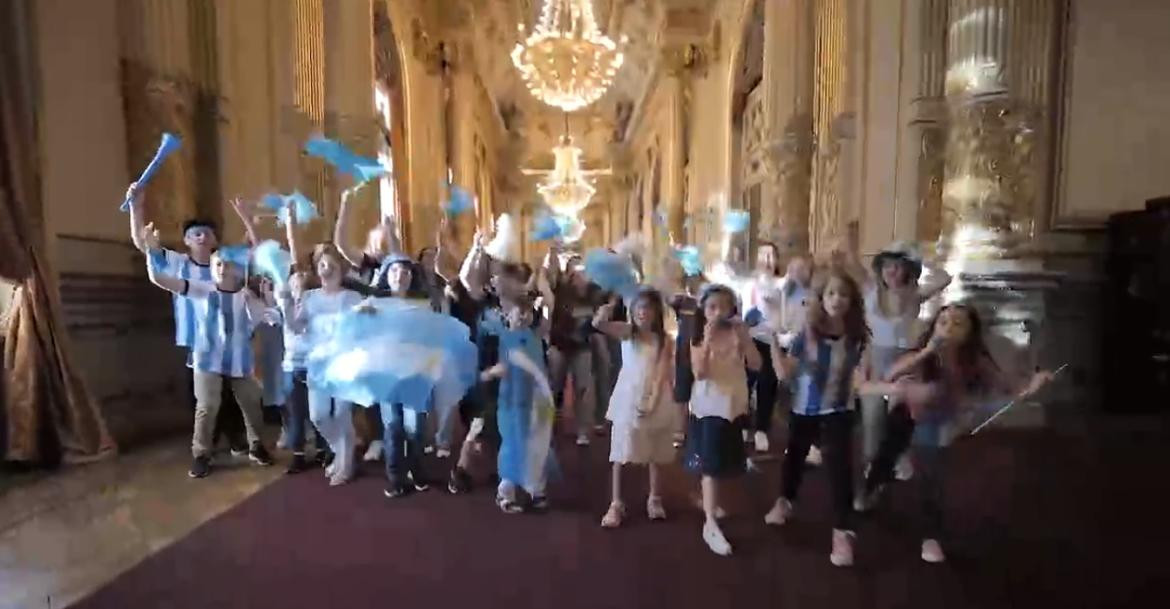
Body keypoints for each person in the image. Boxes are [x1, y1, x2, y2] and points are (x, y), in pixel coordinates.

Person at [855, 303, 1055, 563]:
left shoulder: (976, 362)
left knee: (931, 477)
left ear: (970, 334)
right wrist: (927, 352)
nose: (949, 328)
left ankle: (931, 535)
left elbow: (1012, 390)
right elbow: (891, 374)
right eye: (943, 322)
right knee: (885, 457)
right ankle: (871, 488)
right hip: (906, 414)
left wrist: (1034, 384)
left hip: (936, 422)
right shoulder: (924, 354)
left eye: (958, 323)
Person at [126, 183, 255, 457]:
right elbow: (144, 245)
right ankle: (207, 445)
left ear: (214, 240)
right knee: (203, 398)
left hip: (230, 341)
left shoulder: (224, 264)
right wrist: (136, 208)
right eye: (195, 233)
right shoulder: (178, 263)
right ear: (186, 240)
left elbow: (253, 250)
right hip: (196, 340)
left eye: (207, 233)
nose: (201, 237)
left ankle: (236, 439)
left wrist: (247, 219)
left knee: (232, 394)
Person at [142, 232, 276, 478]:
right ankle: (201, 454)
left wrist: (270, 298)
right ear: (212, 269)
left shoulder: (247, 298)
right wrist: (152, 251)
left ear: (238, 270)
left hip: (240, 360)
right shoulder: (203, 290)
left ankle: (257, 446)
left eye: (227, 263)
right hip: (207, 358)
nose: (222, 268)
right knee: (207, 405)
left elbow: (272, 317)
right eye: (217, 264)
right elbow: (159, 278)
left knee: (251, 401)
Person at [764, 269, 870, 567]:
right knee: (794, 459)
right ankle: (785, 501)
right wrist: (772, 338)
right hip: (804, 409)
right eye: (831, 293)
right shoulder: (806, 335)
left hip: (839, 410)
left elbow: (863, 375)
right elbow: (784, 372)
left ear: (852, 301)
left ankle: (843, 532)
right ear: (821, 298)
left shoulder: (857, 337)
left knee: (839, 469)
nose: (837, 299)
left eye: (844, 294)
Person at [277, 203, 362, 480]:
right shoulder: (311, 298)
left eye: (330, 262)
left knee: (342, 414)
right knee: (319, 416)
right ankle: (341, 450)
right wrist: (285, 304)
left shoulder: (352, 298)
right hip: (318, 365)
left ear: (340, 265)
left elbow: (364, 328)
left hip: (345, 365)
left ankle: (346, 464)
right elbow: (295, 326)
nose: (325, 266)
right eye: (321, 263)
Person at [858, 241, 951, 480]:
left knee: (899, 415)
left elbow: (944, 277)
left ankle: (900, 457)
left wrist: (921, 257)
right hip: (876, 359)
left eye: (898, 266)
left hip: (904, 361)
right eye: (888, 265)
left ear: (908, 269)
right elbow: (850, 266)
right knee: (872, 418)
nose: (892, 271)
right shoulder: (870, 291)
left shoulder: (915, 294)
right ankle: (872, 462)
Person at [684, 284, 760, 556]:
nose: (717, 312)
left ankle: (709, 502)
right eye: (711, 307)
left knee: (723, 460)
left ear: (732, 309)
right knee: (711, 465)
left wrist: (745, 338)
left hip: (733, 404)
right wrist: (706, 340)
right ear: (703, 312)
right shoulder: (698, 338)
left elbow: (756, 364)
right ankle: (710, 523)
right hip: (709, 405)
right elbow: (701, 372)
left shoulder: (738, 334)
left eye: (723, 307)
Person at [593, 289, 676, 528]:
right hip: (628, 393)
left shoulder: (664, 339)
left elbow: (662, 373)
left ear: (656, 312)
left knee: (655, 447)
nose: (642, 312)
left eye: (648, 308)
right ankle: (616, 502)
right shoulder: (628, 333)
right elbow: (599, 324)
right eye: (638, 307)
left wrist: (652, 399)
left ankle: (654, 497)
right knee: (620, 449)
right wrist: (606, 308)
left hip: (654, 393)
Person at [479, 298, 555, 513]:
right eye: (517, 312)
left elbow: (541, 369)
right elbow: (486, 370)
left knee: (538, 443)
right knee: (512, 445)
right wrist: (492, 372)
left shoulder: (535, 339)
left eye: (527, 312)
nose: (522, 316)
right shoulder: (501, 338)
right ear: (507, 316)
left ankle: (537, 490)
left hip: (534, 401)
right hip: (510, 402)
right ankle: (506, 492)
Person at [547, 255, 600, 446]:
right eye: (574, 270)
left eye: (582, 270)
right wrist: (553, 249)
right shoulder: (560, 288)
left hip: (581, 346)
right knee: (553, 387)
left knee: (583, 387)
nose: (578, 273)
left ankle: (583, 430)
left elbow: (600, 311)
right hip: (559, 345)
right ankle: (546, 424)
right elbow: (551, 273)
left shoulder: (593, 292)